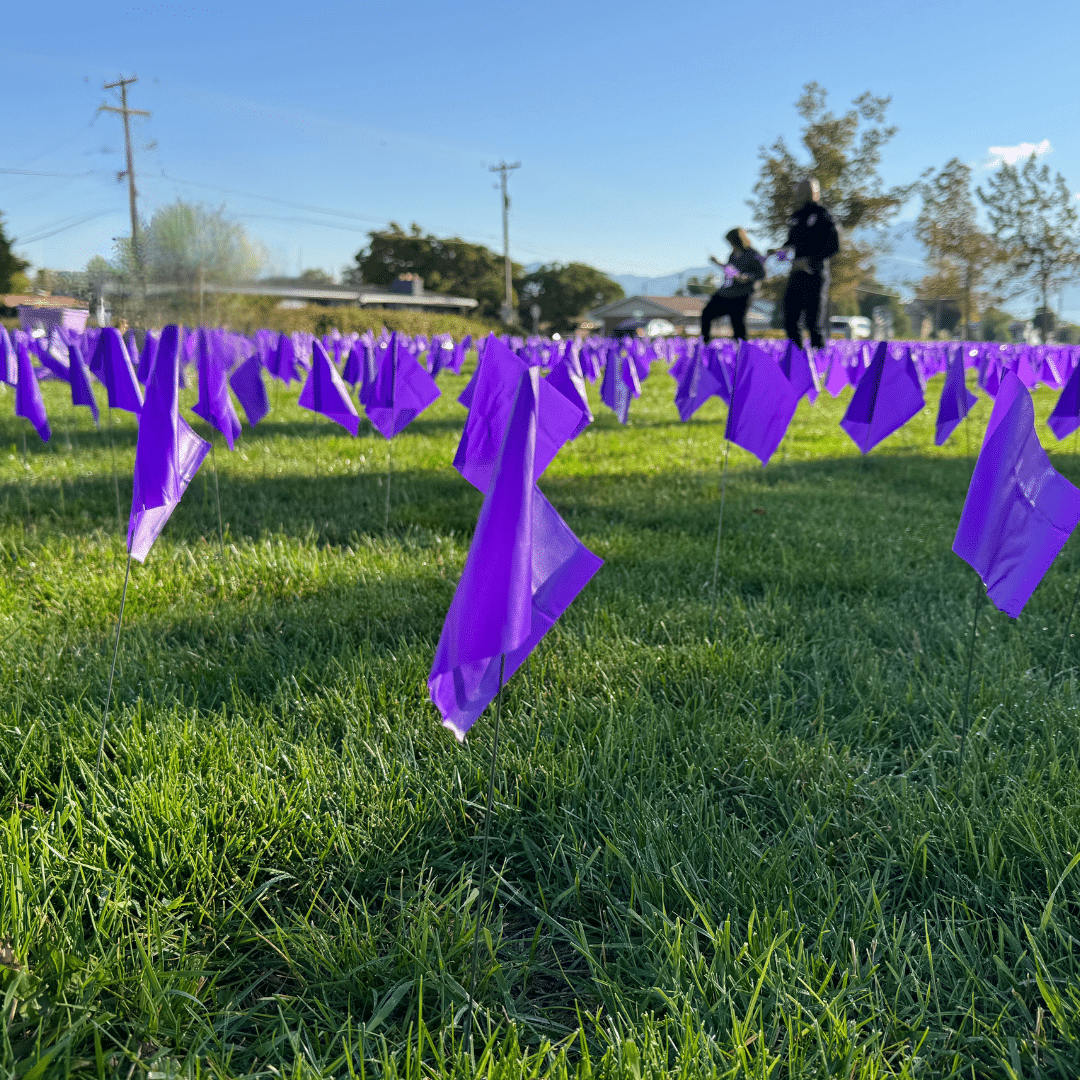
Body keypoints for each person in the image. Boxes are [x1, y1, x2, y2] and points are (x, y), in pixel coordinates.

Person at [769, 178, 840, 351]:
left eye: (805, 191)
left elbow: (833, 246)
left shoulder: (824, 215)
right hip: (796, 274)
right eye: (799, 191)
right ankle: (797, 358)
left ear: (815, 193)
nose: (799, 194)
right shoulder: (796, 217)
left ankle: (819, 360)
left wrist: (809, 261)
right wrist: (779, 252)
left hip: (815, 274)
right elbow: (791, 243)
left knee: (813, 322)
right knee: (790, 318)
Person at [701, 228, 765, 343]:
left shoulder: (752, 254)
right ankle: (705, 343)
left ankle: (742, 351)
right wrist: (718, 263)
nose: (730, 244)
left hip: (743, 294)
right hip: (727, 292)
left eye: (731, 242)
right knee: (707, 313)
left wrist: (747, 277)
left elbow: (761, 274)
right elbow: (731, 272)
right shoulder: (732, 255)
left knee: (737, 323)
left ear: (737, 240)